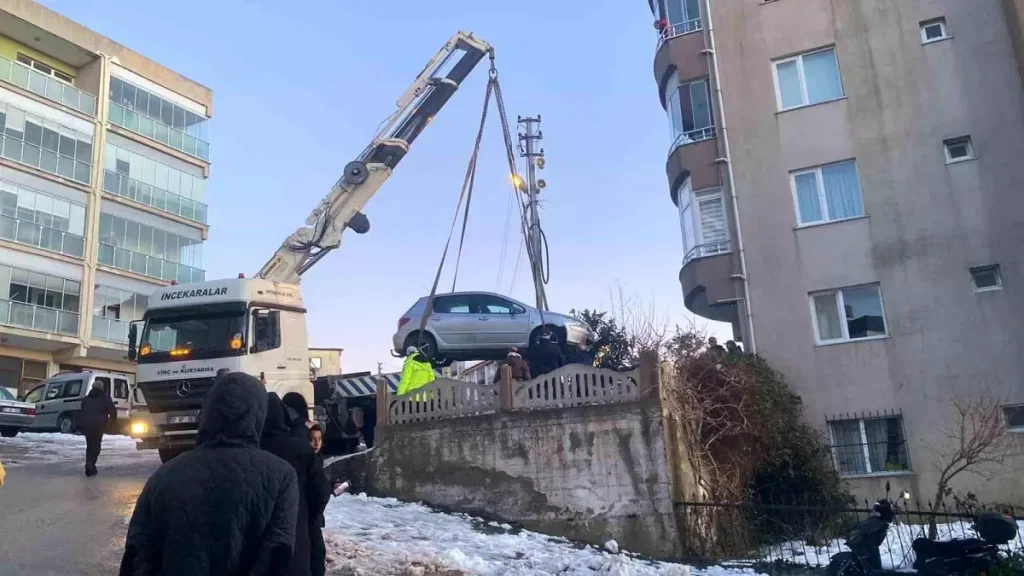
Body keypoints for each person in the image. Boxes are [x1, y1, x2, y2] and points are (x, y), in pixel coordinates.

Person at [120, 372, 299, 575]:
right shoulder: (281, 476)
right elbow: (277, 554)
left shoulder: (163, 476)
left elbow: (137, 554)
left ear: (208, 411)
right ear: (258, 414)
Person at [260, 393, 331, 576]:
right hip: (298, 534)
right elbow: (321, 491)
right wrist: (309, 516)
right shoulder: (301, 449)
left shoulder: (252, 451)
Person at [76, 380, 117, 477]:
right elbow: (113, 412)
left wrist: (81, 424)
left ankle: (89, 465)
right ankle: (90, 466)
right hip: (99, 426)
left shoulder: (86, 399)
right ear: (102, 388)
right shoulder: (105, 399)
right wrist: (111, 424)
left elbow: (81, 412)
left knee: (89, 446)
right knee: (96, 447)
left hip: (87, 426)